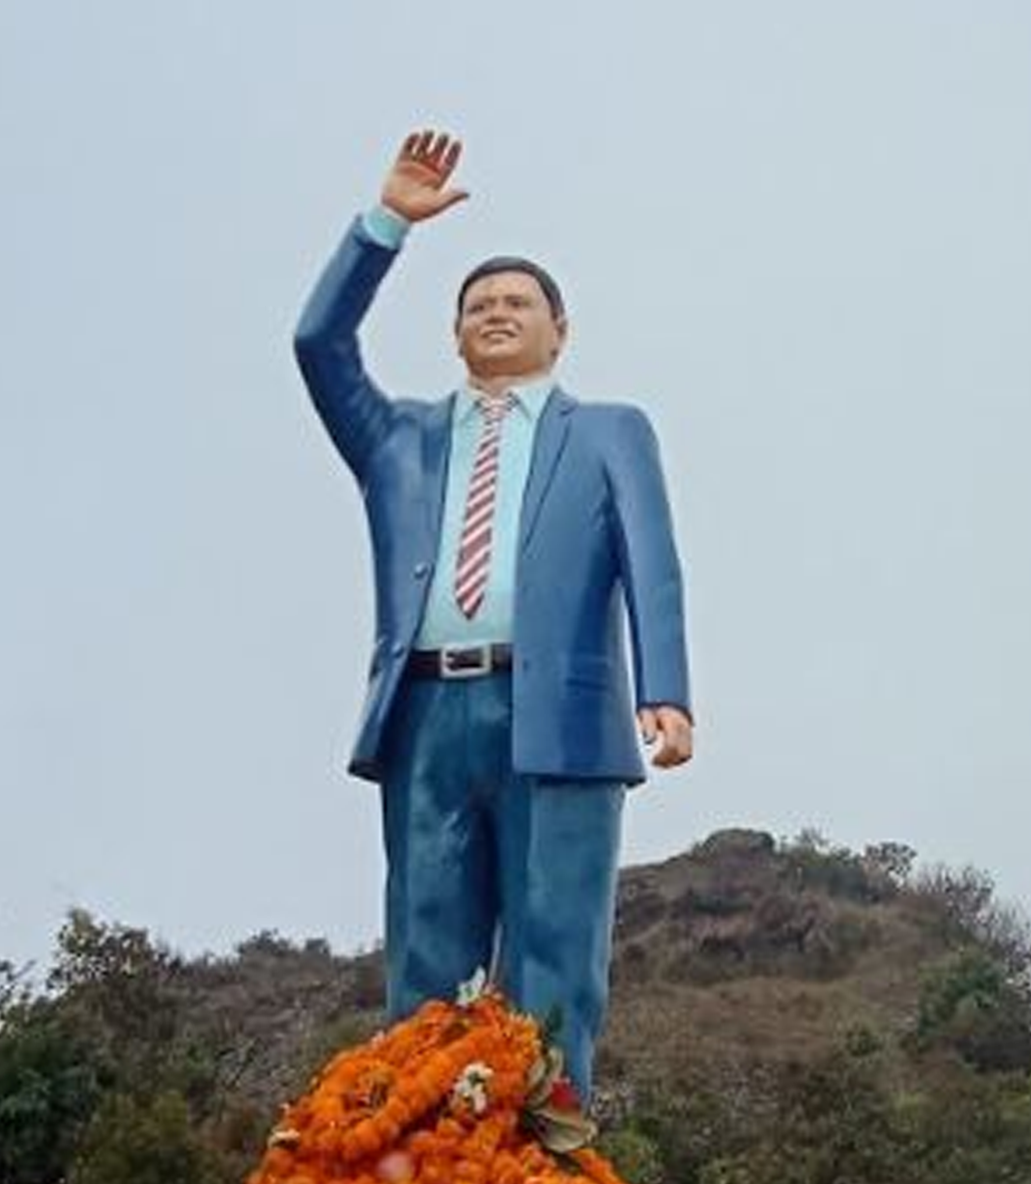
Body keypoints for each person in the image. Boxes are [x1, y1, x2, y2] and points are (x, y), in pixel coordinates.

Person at [292, 129, 694, 1100]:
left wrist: (667, 691)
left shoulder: (608, 431)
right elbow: (318, 345)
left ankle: (542, 1146)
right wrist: (385, 224)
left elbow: (652, 561)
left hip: (559, 712)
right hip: (426, 715)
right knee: (425, 959)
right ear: (455, 335)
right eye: (478, 305)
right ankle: (420, 1141)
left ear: (559, 330)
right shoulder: (398, 439)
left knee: (553, 956)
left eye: (518, 303)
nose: (497, 314)